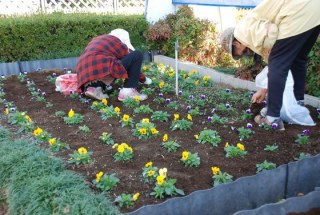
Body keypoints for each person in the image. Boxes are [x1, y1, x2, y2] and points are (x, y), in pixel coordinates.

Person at [220, 0, 320, 130]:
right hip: (314, 10)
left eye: (239, 53)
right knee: (298, 60)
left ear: (236, 44)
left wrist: (265, 86)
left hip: (297, 12)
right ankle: (297, 104)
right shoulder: (249, 29)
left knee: (278, 65)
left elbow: (273, 48)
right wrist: (263, 90)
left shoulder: (243, 32)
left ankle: (272, 118)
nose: (243, 54)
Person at [75, 28, 152, 101]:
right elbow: (130, 63)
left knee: (106, 66)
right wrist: (144, 79)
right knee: (136, 55)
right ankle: (128, 91)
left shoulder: (97, 40)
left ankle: (93, 88)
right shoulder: (117, 42)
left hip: (81, 71)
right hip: (100, 65)